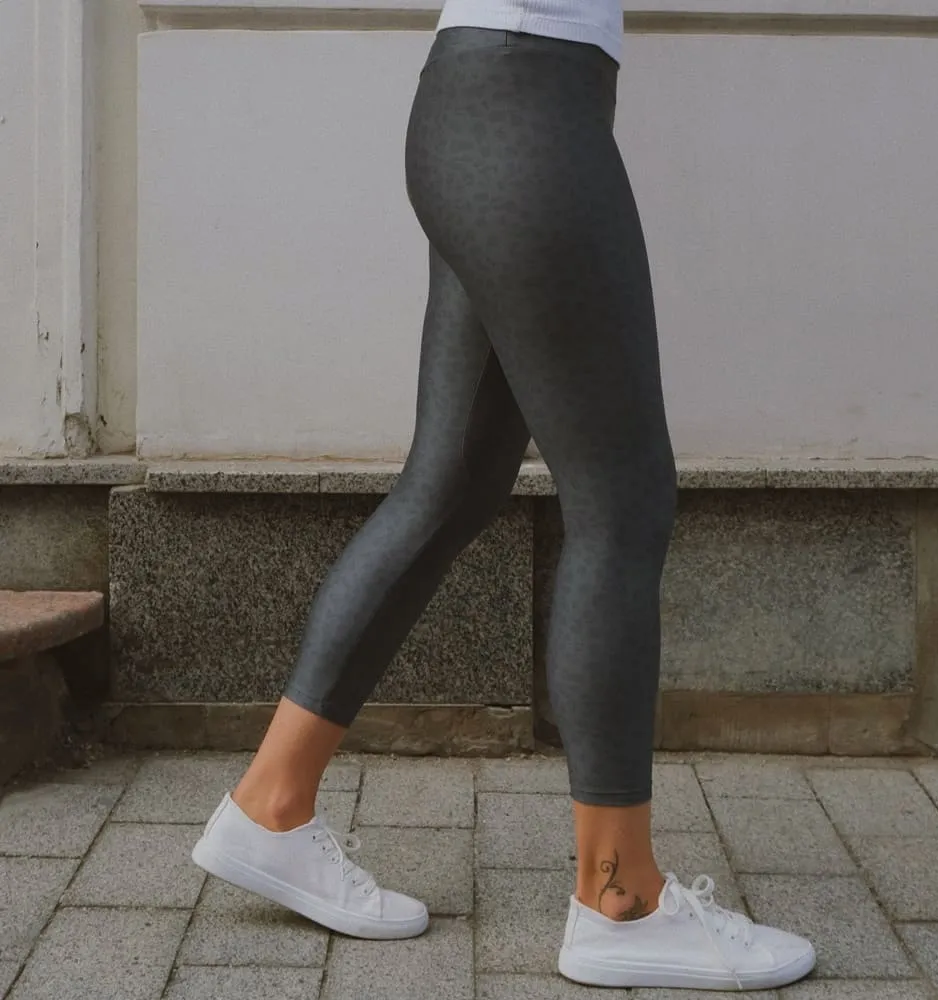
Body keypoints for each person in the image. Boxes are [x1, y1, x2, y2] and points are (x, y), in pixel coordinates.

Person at [190, 0, 817, 990]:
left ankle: (271, 802)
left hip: (485, 102)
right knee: (622, 502)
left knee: (451, 482)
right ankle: (620, 898)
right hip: (527, 106)